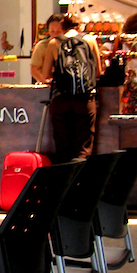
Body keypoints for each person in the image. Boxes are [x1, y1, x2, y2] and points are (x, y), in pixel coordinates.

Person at [41, 14, 104, 164]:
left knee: (62, 146)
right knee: (84, 145)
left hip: (61, 99)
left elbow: (45, 74)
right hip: (84, 100)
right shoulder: (90, 40)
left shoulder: (54, 43)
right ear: (80, 26)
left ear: (62, 27)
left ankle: (64, 177)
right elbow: (98, 71)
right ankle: (80, 175)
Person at [30, 15, 66, 84]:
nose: (55, 34)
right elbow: (34, 70)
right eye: (52, 31)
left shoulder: (70, 45)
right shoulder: (42, 46)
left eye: (59, 31)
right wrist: (46, 82)